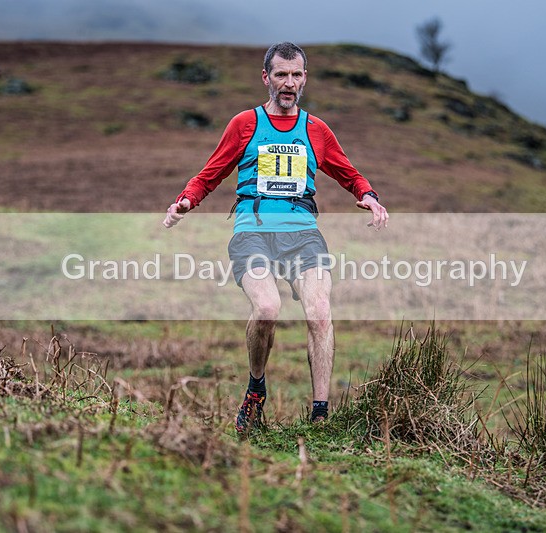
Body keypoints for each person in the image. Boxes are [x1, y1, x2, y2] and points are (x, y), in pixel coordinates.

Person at [163, 42, 388, 434]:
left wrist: (369, 197)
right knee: (267, 309)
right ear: (266, 78)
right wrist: (185, 201)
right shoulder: (244, 123)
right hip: (251, 232)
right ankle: (255, 390)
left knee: (319, 313)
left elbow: (348, 172)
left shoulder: (316, 129)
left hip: (302, 234)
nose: (289, 82)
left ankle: (320, 416)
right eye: (281, 74)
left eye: (296, 74)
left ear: (305, 78)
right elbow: (211, 172)